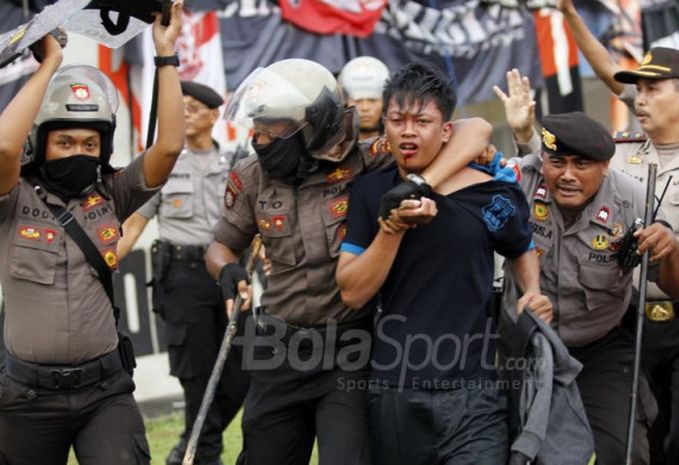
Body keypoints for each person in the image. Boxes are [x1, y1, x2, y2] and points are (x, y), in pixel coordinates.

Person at [204, 58, 494, 465]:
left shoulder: (366, 159)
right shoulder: (251, 174)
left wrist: (420, 183)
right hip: (276, 347)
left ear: (314, 124)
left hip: (348, 349)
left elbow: (476, 129)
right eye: (258, 129)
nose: (261, 140)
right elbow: (220, 246)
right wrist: (226, 270)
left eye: (275, 130)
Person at [334, 62, 551, 465]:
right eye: (397, 120)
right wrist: (392, 226)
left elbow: (521, 245)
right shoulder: (370, 190)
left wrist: (533, 292)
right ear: (384, 126)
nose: (408, 131)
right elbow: (352, 291)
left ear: (446, 130)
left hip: (475, 392)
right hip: (395, 387)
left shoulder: (490, 192)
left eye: (422, 121)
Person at [0, 4, 184, 465]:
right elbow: (3, 146)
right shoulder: (12, 197)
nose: (79, 152)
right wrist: (49, 67)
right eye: (64, 142)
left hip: (105, 394)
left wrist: (165, 55)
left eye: (90, 143)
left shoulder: (112, 193)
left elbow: (169, 146)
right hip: (25, 399)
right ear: (40, 142)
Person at [494, 72, 679, 465]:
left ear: (605, 165)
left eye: (581, 164)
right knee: (519, 450)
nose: (566, 175)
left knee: (620, 450)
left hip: (600, 348)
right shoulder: (518, 180)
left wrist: (670, 252)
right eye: (557, 162)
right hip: (525, 344)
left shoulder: (633, 199)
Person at [117, 80, 250, 465]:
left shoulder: (237, 165)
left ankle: (186, 448)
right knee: (197, 379)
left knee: (244, 373)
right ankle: (204, 456)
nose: (186, 112)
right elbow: (133, 225)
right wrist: (102, 258)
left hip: (230, 276)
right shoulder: (164, 163)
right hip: (182, 277)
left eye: (195, 107)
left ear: (214, 115)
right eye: (182, 106)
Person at [338, 56, 390, 140]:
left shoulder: (396, 148)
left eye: (372, 100)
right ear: (345, 102)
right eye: (357, 101)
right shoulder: (333, 149)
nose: (365, 108)